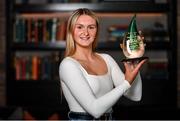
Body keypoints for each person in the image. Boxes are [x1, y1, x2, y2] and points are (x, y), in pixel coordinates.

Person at [59, 8, 147, 120]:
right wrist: (126, 83)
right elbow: (95, 110)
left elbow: (135, 96)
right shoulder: (68, 65)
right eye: (79, 27)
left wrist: (135, 59)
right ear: (71, 31)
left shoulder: (106, 59)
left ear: (96, 31)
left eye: (91, 27)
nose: (86, 32)